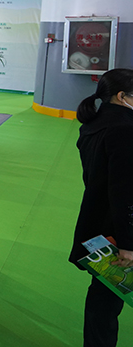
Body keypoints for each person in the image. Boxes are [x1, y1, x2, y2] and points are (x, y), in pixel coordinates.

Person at [71, 69, 133, 347]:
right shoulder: (124, 130)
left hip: (97, 220)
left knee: (105, 293)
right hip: (116, 229)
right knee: (107, 298)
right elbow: (124, 192)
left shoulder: (94, 124)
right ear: (122, 96)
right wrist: (128, 243)